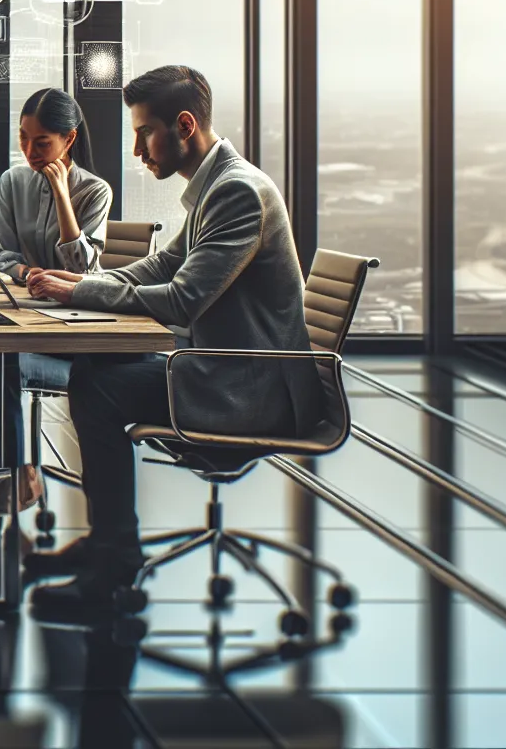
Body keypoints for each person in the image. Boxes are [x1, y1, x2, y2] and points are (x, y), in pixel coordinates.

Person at [24, 65, 315, 619]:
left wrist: (81, 292)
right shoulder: (221, 184)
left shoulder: (236, 194)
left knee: (98, 386)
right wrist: (80, 285)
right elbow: (163, 264)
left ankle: (113, 565)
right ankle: (111, 541)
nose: (136, 149)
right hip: (229, 370)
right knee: (100, 369)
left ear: (184, 125)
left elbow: (182, 298)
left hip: (247, 392)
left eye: (142, 132)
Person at [0, 87, 113, 510]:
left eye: (42, 141)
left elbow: (83, 269)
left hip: (75, 331)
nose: (30, 150)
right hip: (24, 313)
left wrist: (63, 196)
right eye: (23, 138)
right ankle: (13, 474)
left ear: (70, 139)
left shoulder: (95, 191)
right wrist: (26, 272)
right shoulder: (13, 181)